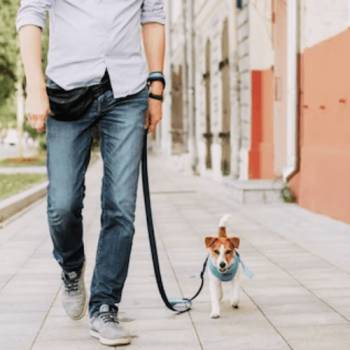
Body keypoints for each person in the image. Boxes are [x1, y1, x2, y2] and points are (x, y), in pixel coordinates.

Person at [16, 0, 165, 346]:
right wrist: (35, 86)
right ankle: (71, 266)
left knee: (120, 207)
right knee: (62, 204)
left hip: (127, 93)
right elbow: (31, 14)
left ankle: (104, 307)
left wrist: (155, 87)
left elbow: (153, 15)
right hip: (66, 89)